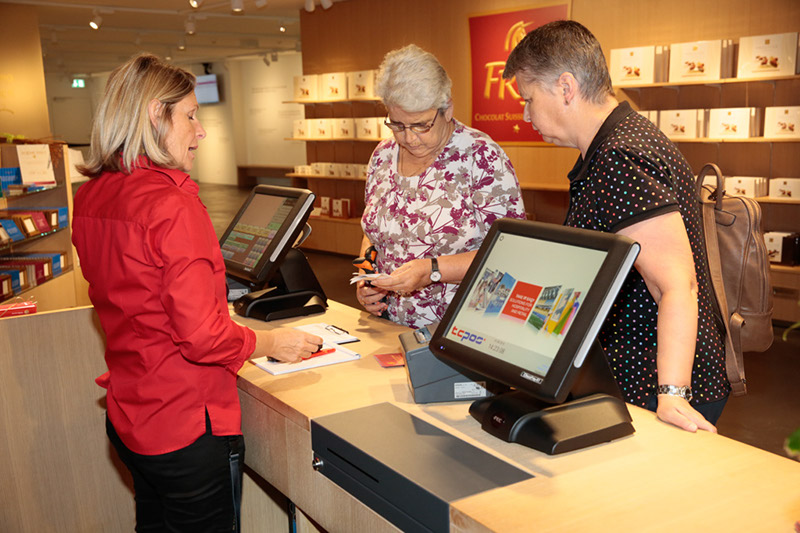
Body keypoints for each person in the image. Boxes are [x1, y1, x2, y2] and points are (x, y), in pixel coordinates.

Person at [71, 53, 322, 532]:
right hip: (186, 423)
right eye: (190, 116)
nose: (201, 131)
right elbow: (203, 337)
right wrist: (273, 342)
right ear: (155, 115)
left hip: (133, 412)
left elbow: (139, 295)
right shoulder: (172, 205)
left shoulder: (93, 195)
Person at [502, 21, 729, 433]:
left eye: (528, 99)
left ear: (566, 87)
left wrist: (673, 394)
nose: (525, 114)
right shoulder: (616, 142)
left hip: (656, 382)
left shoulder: (620, 157)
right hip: (639, 372)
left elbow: (677, 284)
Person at [357, 44, 526, 329]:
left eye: (421, 125)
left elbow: (511, 251)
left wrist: (432, 270)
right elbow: (373, 231)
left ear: (447, 109)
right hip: (391, 325)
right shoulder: (383, 155)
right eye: (397, 125)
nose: (409, 138)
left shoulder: (481, 156)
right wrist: (366, 278)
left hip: (462, 327)